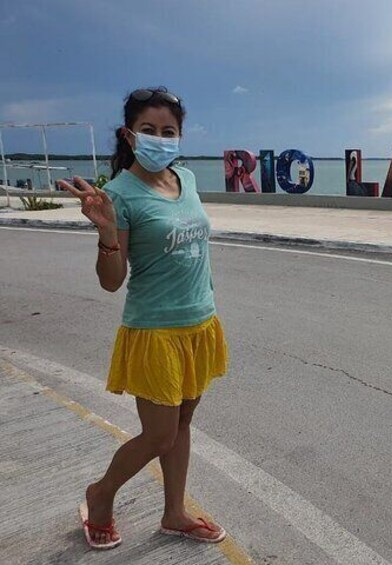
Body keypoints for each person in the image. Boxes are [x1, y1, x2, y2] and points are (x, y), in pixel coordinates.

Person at [58, 87, 228, 550]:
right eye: (149, 130)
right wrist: (108, 231)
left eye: (168, 131)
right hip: (155, 331)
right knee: (158, 435)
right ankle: (100, 494)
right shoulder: (118, 195)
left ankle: (173, 513)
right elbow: (111, 282)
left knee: (183, 426)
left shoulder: (186, 179)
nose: (159, 139)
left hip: (199, 324)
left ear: (179, 136)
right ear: (129, 135)